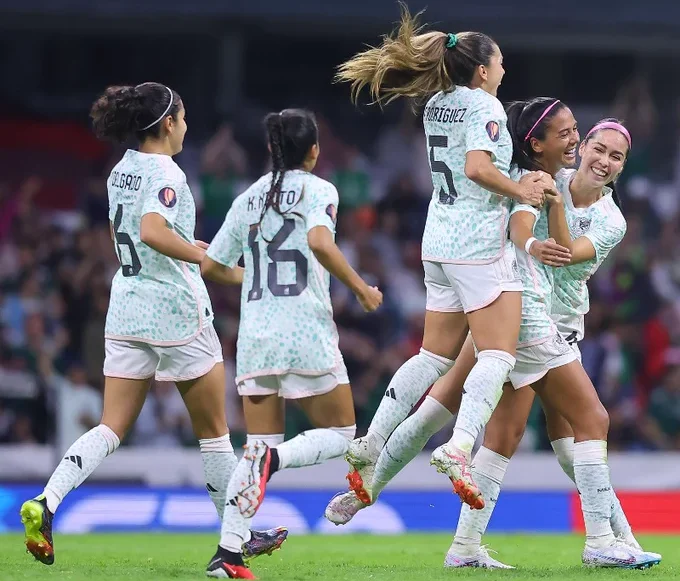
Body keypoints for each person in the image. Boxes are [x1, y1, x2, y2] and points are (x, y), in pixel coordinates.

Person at [328, 114, 662, 569]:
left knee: (496, 429)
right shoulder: (546, 179)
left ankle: (445, 535)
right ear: (582, 147)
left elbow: (567, 259)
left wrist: (552, 213)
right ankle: (606, 540)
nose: (604, 160)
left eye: (616, 156)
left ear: (623, 167)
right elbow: (520, 228)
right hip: (520, 312)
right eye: (598, 149)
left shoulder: (610, 219)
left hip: (552, 320)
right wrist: (530, 237)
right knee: (582, 425)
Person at [19, 82, 287, 566]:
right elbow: (152, 230)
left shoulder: (120, 168)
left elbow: (141, 234)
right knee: (213, 433)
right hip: (175, 310)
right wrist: (200, 254)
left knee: (110, 426)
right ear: (167, 123)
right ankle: (235, 541)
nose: (186, 127)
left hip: (127, 304)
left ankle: (47, 502)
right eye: (182, 119)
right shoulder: (168, 171)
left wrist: (189, 244)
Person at [334, 3, 553, 509]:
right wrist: (520, 189)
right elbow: (477, 167)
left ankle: (371, 440)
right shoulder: (485, 107)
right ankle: (458, 449)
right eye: (499, 62)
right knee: (498, 353)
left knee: (433, 355)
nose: (503, 69)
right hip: (478, 242)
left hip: (438, 242)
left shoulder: (438, 105)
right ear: (482, 70)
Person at [200, 108, 383, 578]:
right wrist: (361, 288)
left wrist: (253, 275)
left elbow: (212, 267)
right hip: (305, 328)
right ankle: (276, 462)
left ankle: (228, 553)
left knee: (256, 445)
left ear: (270, 150)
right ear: (314, 150)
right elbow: (321, 243)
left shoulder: (248, 199)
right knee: (342, 434)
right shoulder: (321, 189)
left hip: (256, 333)